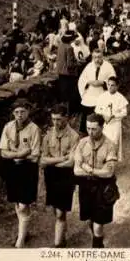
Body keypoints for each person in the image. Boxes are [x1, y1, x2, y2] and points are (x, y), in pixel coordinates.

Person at [0, 98, 42, 248]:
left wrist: (17, 154)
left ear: (28, 111)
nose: (19, 115)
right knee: (17, 202)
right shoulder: (8, 127)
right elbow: (3, 152)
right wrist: (21, 153)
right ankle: (23, 231)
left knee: (24, 205)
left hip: (27, 170)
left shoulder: (34, 129)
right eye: (16, 112)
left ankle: (20, 240)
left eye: (23, 111)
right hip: (12, 168)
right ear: (13, 113)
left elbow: (35, 156)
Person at [73, 113, 119, 248]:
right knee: (91, 220)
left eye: (94, 129)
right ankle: (97, 240)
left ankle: (97, 249)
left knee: (99, 224)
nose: (90, 132)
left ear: (102, 127)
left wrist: (88, 169)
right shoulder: (82, 143)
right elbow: (76, 170)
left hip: (103, 188)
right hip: (86, 187)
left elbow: (108, 172)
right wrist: (96, 171)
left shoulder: (110, 145)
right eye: (88, 128)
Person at [40, 104, 80, 247]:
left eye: (58, 119)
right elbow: (43, 160)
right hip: (51, 176)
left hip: (66, 176)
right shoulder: (48, 135)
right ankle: (62, 235)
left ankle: (58, 245)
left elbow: (71, 163)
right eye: (53, 119)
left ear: (66, 118)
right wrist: (61, 159)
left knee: (60, 212)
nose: (55, 123)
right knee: (55, 209)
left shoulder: (74, 137)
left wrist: (52, 162)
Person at [78, 49, 116, 135]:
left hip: (102, 93)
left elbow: (113, 80)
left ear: (102, 57)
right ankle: (86, 132)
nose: (97, 60)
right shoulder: (89, 66)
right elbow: (81, 80)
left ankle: (102, 131)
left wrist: (103, 83)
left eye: (99, 57)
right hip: (90, 94)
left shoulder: (108, 66)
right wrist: (89, 82)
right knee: (87, 112)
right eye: (94, 57)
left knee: (101, 113)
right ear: (92, 57)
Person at [94, 76, 129, 162]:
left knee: (113, 142)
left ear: (117, 86)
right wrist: (103, 115)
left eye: (112, 85)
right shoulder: (102, 96)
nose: (110, 87)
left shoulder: (120, 98)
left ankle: (111, 160)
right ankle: (102, 160)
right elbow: (97, 109)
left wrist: (114, 115)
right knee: (103, 141)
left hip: (115, 124)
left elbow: (124, 112)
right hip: (104, 124)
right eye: (108, 85)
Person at [56, 30, 80, 115]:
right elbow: (70, 64)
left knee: (64, 93)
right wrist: (78, 63)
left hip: (61, 72)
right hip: (69, 74)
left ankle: (64, 112)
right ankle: (72, 112)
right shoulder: (69, 48)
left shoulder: (61, 46)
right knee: (72, 94)